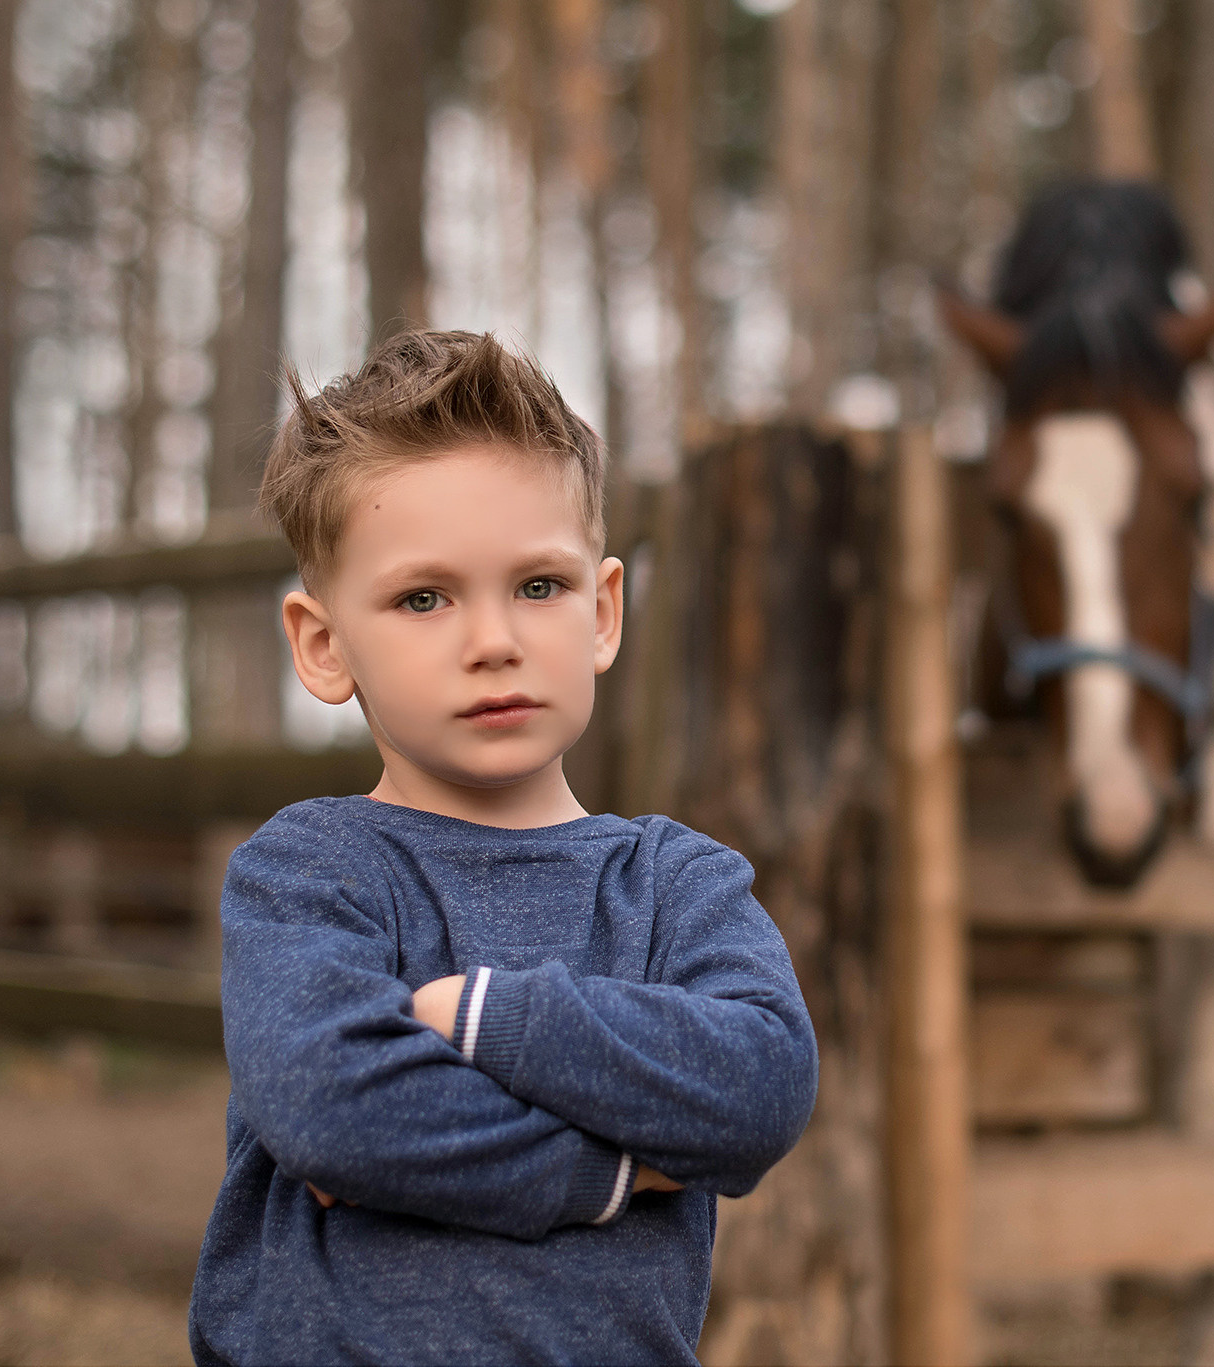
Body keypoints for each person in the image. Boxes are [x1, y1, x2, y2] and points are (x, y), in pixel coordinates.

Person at [187, 330, 818, 1366]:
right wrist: (620, 1168)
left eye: (537, 586)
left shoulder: (675, 883)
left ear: (602, 612)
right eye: (423, 597)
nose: (493, 641)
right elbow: (331, 1106)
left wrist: (480, 1016)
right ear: (324, 645)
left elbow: (763, 1081)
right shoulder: (308, 868)